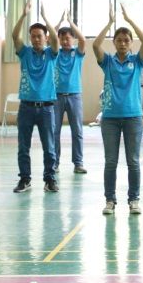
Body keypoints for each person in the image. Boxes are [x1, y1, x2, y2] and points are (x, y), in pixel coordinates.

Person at [93, 4, 143, 215]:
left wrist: (130, 20)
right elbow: (95, 45)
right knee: (111, 162)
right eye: (119, 40)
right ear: (114, 42)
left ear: (131, 43)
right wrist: (109, 23)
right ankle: (110, 200)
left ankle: (134, 199)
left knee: (133, 161)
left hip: (133, 117)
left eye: (126, 40)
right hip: (110, 119)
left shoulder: (137, 61)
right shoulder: (108, 61)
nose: (123, 43)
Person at [11, 0, 60, 193]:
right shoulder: (25, 53)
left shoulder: (51, 54)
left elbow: (55, 40)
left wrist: (46, 18)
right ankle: (25, 179)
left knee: (49, 147)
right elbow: (14, 35)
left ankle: (50, 179)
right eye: (33, 36)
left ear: (45, 38)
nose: (36, 39)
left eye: (40, 36)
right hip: (26, 107)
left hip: (47, 108)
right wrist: (23, 15)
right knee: (23, 146)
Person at [53, 14, 88, 176]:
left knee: (77, 131)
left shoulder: (77, 53)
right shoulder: (55, 53)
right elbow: (49, 38)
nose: (65, 41)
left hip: (74, 96)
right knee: (54, 131)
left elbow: (83, 40)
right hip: (56, 96)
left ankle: (78, 163)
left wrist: (71, 22)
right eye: (62, 38)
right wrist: (59, 22)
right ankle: (55, 163)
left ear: (72, 39)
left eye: (68, 38)